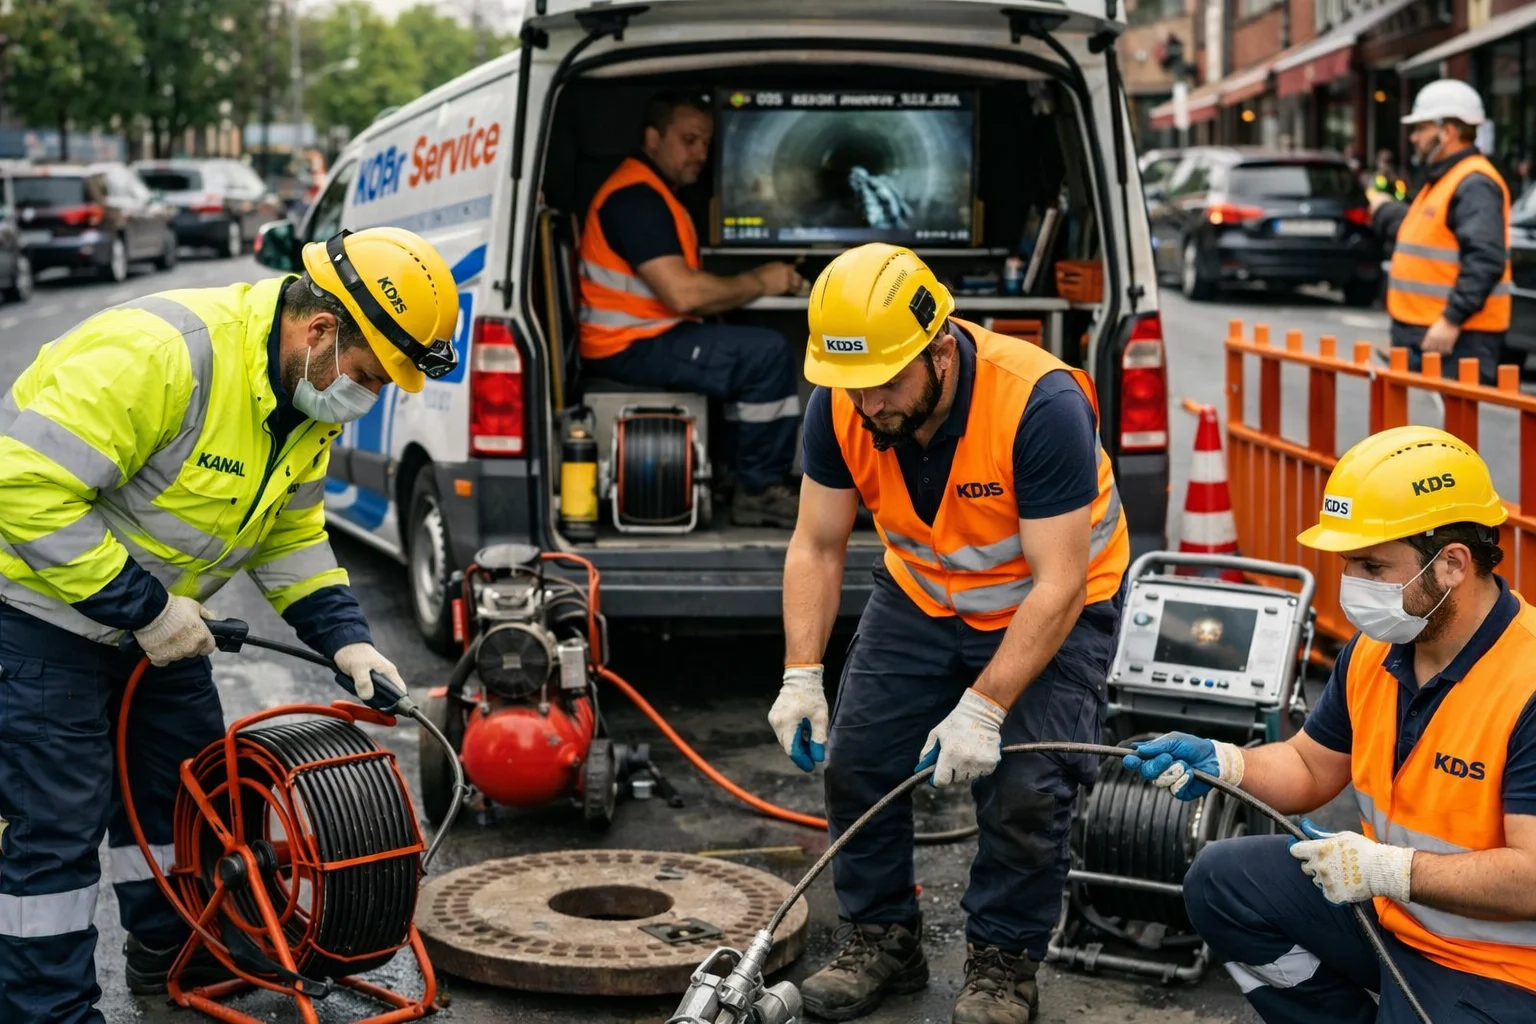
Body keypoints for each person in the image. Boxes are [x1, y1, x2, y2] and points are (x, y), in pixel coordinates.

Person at [0, 226, 461, 1024]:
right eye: (369, 375)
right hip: (39, 623)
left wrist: (345, 637)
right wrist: (143, 609)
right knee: (55, 838)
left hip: (162, 633)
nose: (369, 396)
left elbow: (290, 533)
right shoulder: (163, 354)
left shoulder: (304, 397)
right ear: (320, 330)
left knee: (191, 804)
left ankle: (177, 955)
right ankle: (49, 1012)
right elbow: (20, 488)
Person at [770, 243, 1129, 1023]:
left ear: (939, 348)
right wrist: (802, 673)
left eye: (885, 385)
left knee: (1028, 790)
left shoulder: (1039, 401)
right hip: (922, 597)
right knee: (857, 761)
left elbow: (1061, 582)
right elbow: (817, 543)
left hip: (1051, 607)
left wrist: (985, 707)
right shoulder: (844, 400)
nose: (868, 409)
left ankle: (1003, 962)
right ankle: (883, 940)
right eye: (851, 389)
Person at [1123, 425, 1536, 1023]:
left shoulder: (1526, 681)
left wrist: (1386, 869)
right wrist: (1226, 763)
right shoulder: (1377, 651)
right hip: (1394, 917)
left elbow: (1530, 878)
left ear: (1451, 564)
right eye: (1349, 565)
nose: (1354, 587)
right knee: (1222, 882)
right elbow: (1311, 765)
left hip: (1500, 967)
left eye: (1372, 564)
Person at [579, 89, 806, 527]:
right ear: (652, 138)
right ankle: (758, 490)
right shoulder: (636, 199)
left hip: (644, 336)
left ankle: (735, 475)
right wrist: (762, 281)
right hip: (630, 344)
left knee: (741, 341)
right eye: (689, 140)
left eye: (706, 143)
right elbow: (682, 294)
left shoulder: (652, 192)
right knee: (766, 354)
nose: (700, 153)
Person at [1368, 80, 1513, 386]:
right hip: (1429, 332)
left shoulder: (1473, 182)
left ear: (1447, 132)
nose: (1414, 137)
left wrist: (1451, 320)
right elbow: (1422, 234)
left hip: (1456, 338)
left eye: (1421, 128)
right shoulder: (1444, 179)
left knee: (1452, 432)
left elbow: (1484, 259)